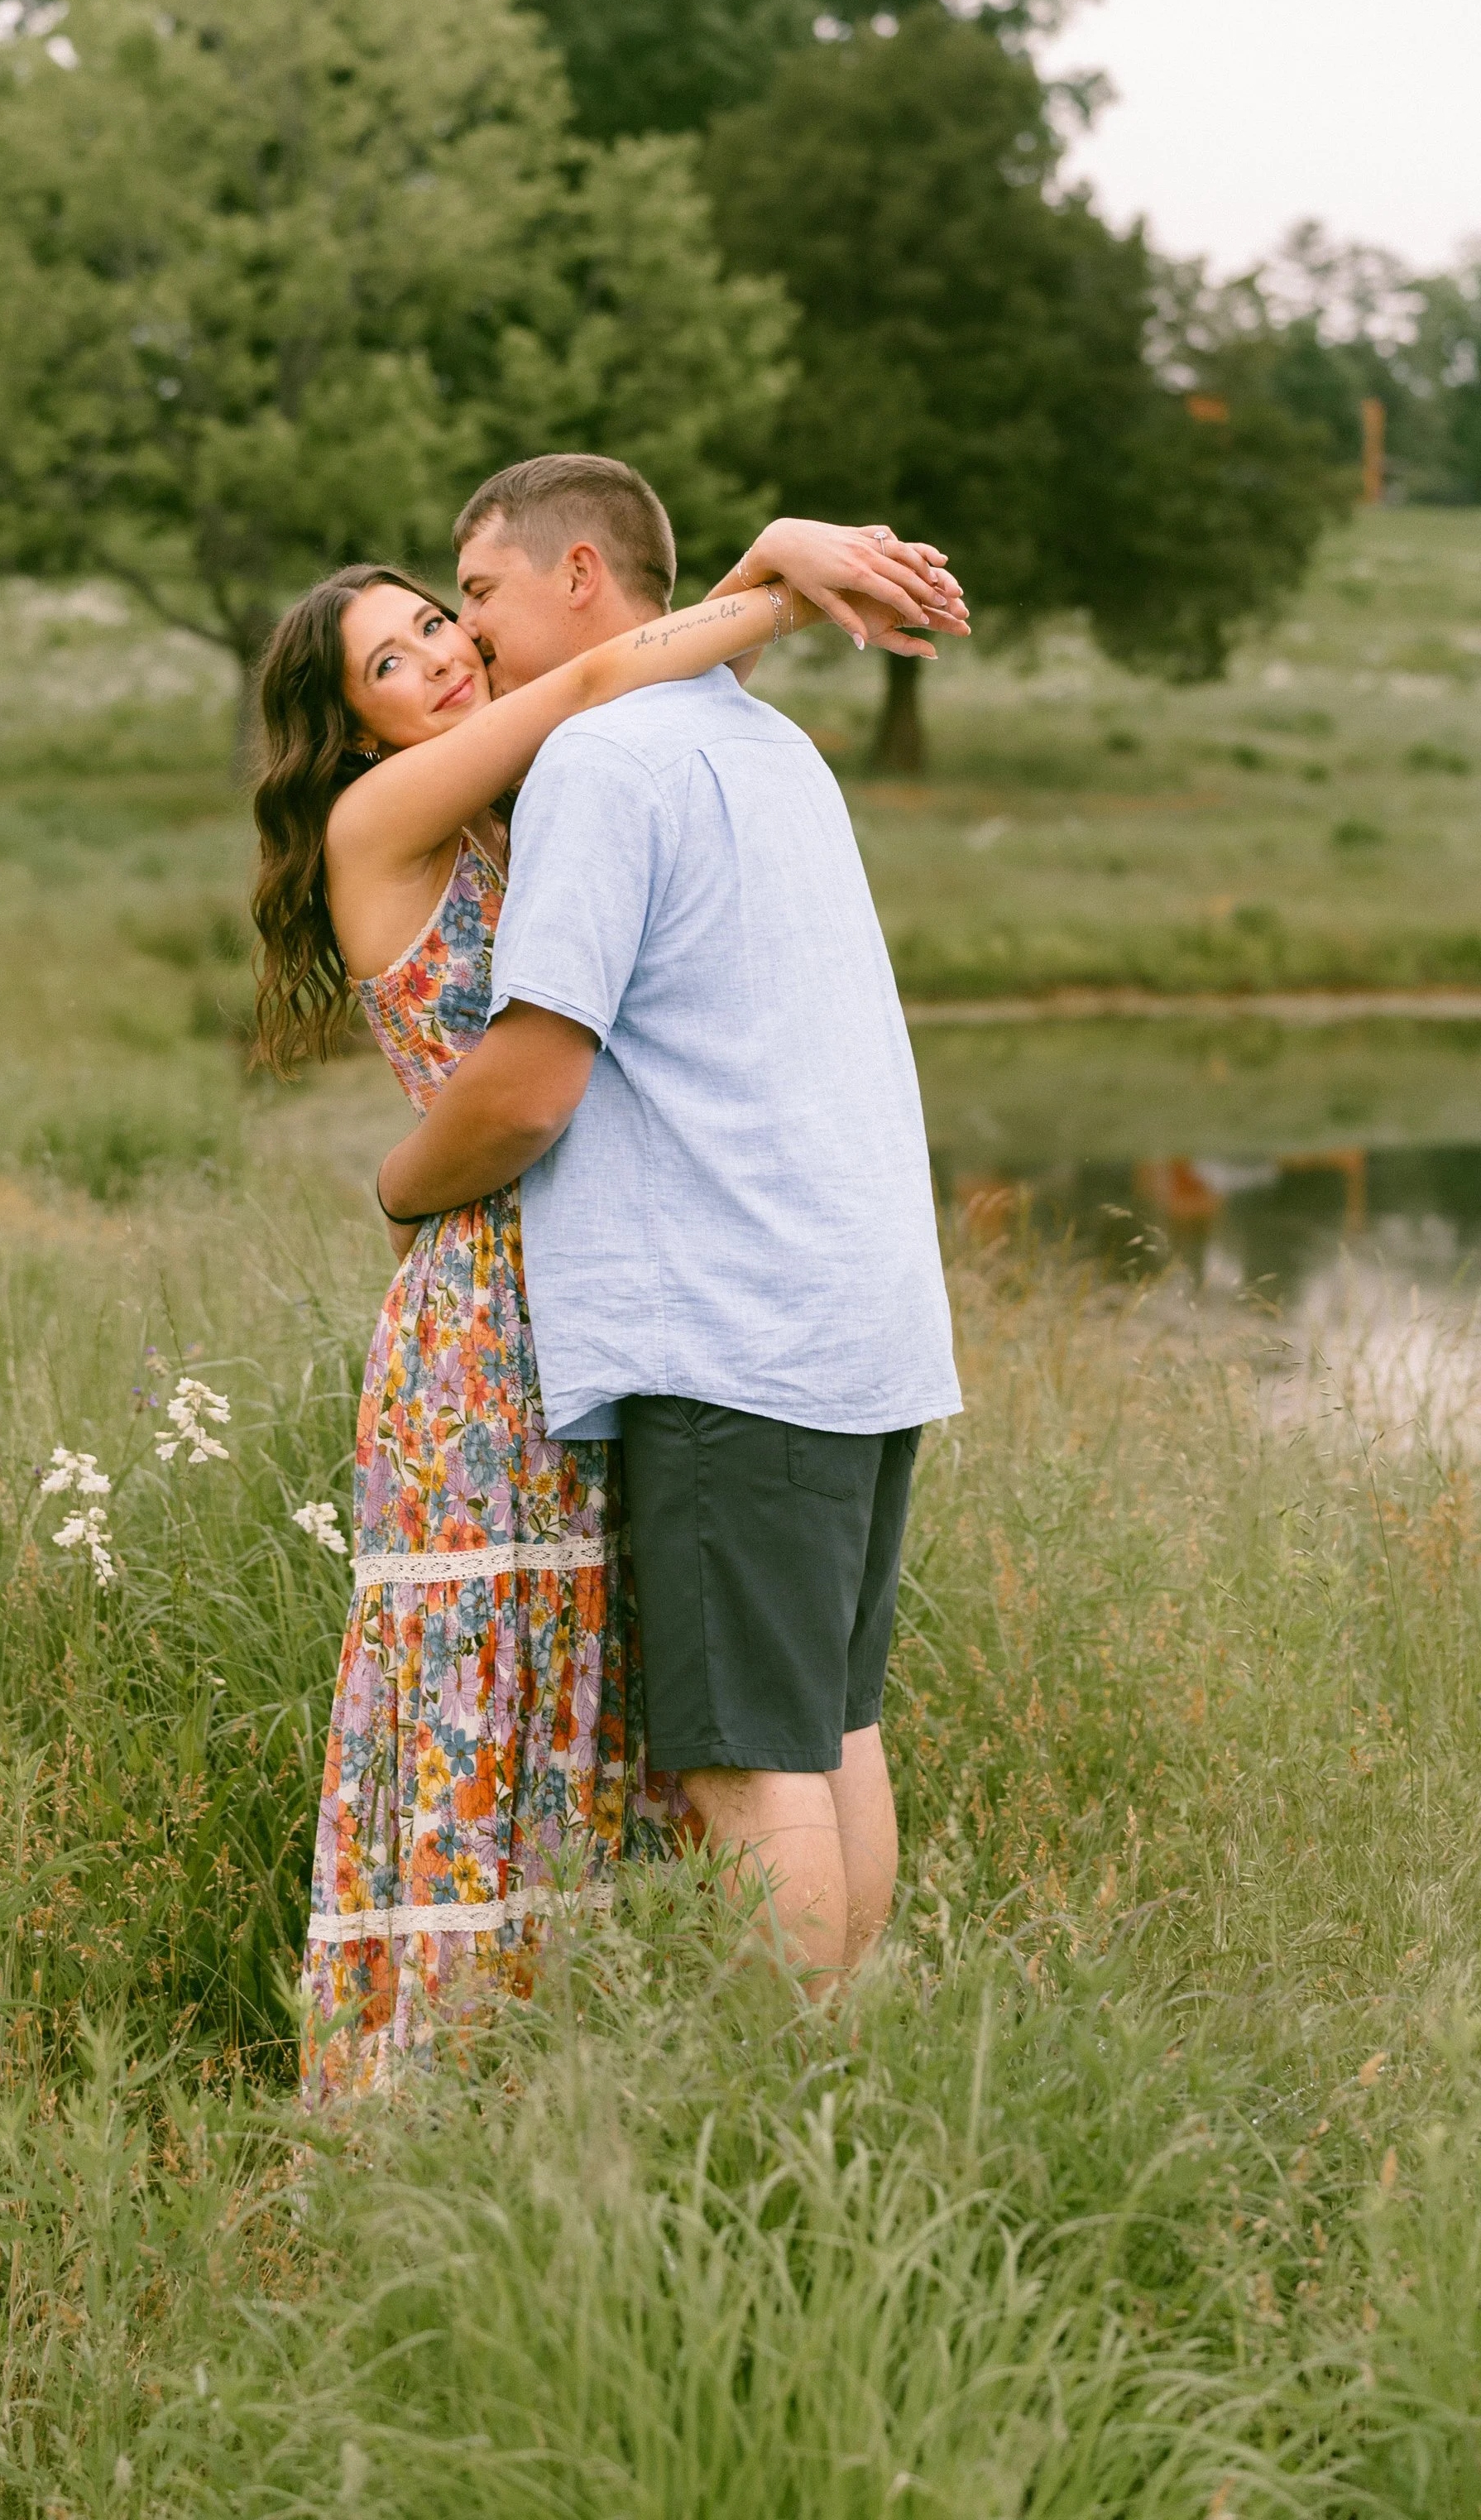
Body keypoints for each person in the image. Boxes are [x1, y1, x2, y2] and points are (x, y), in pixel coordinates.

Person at [253, 493, 966, 2094]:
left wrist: (762, 569)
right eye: (398, 653)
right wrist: (779, 572)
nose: (447, 650)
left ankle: (611, 2064)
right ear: (350, 733)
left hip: (615, 1287)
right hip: (492, 1311)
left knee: (641, 1705)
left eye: (446, 615)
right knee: (514, 1691)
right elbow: (595, 667)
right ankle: (443, 2072)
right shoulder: (384, 828)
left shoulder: (558, 776)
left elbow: (618, 652)